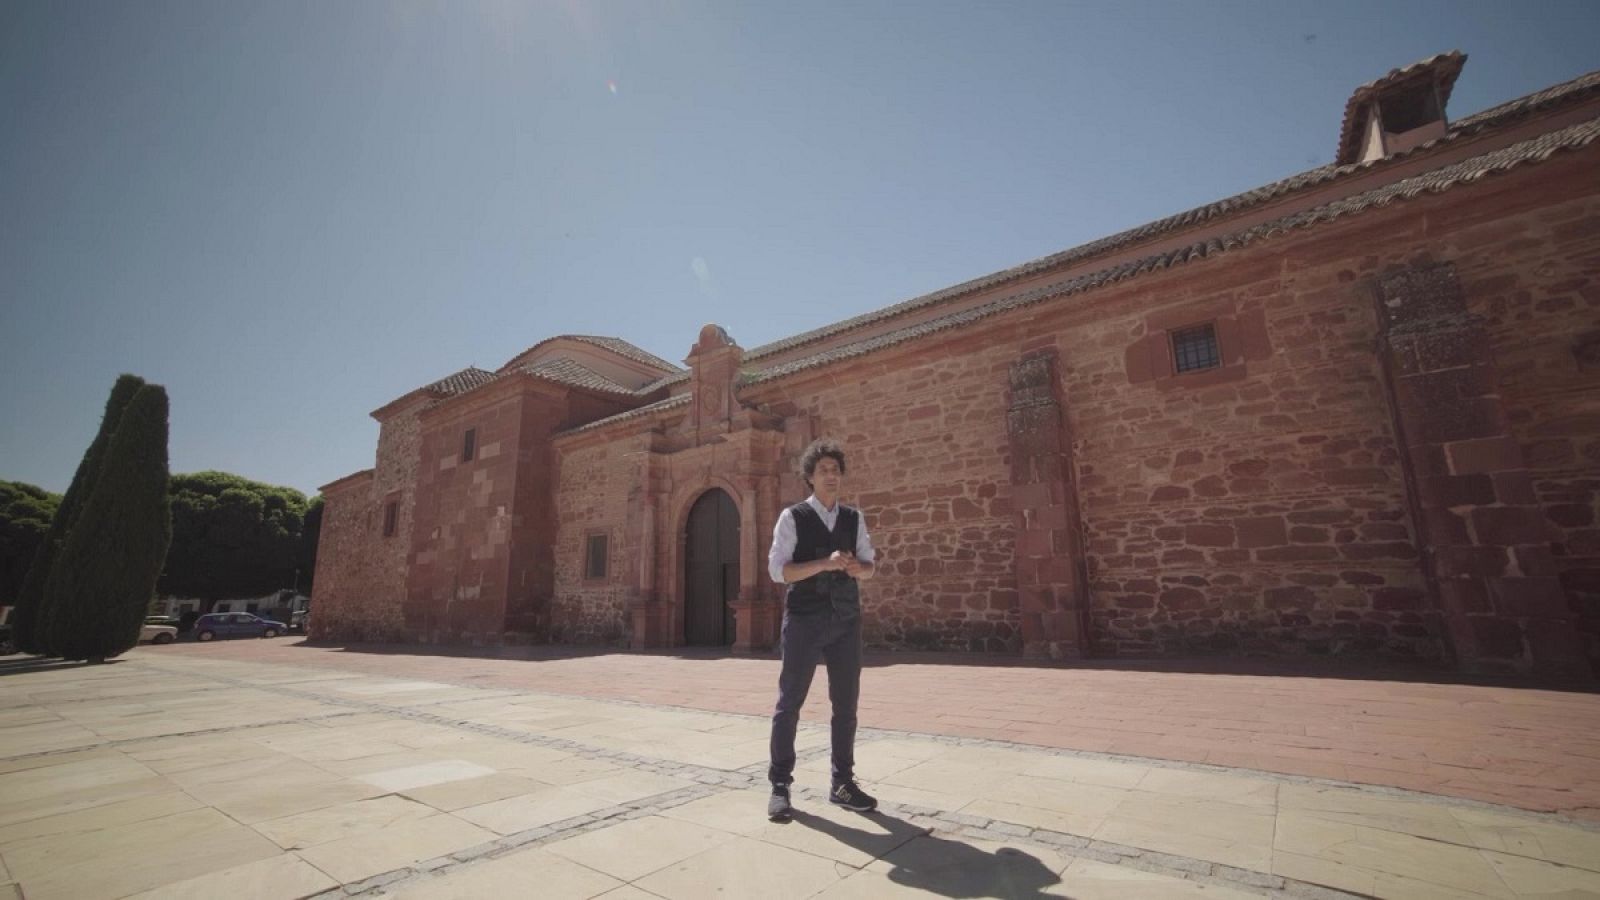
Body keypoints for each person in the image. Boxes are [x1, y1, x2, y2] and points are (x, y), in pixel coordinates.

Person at [766, 438, 878, 821]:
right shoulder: (792, 517)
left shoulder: (853, 518)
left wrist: (856, 569)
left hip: (846, 620)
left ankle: (842, 784)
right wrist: (825, 563)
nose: (832, 476)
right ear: (810, 477)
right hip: (804, 620)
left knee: (846, 706)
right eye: (824, 470)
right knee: (789, 704)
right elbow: (780, 572)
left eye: (836, 470)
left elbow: (870, 566)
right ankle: (780, 785)